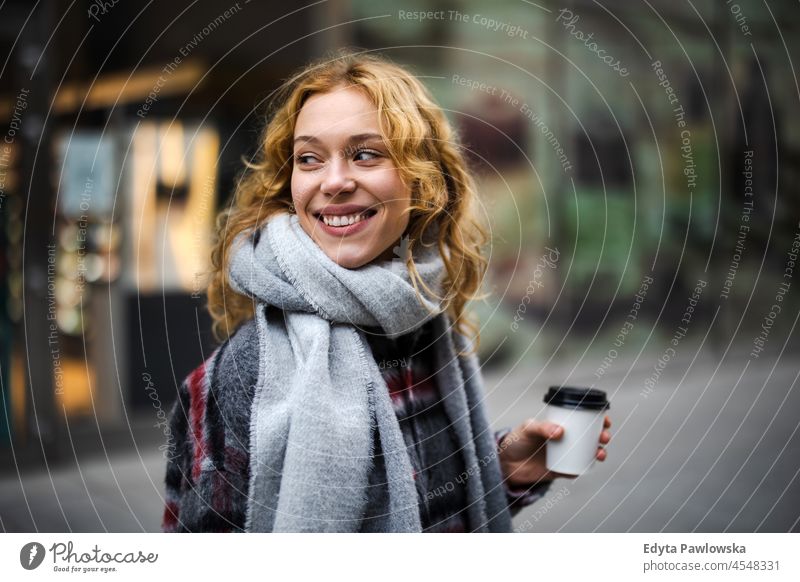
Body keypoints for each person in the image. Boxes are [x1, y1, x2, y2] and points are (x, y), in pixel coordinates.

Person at [161, 49, 611, 533]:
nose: (333, 182)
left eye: (366, 154)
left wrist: (505, 467)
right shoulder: (241, 375)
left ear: (422, 180)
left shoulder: (422, 322)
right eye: (309, 158)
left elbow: (432, 516)